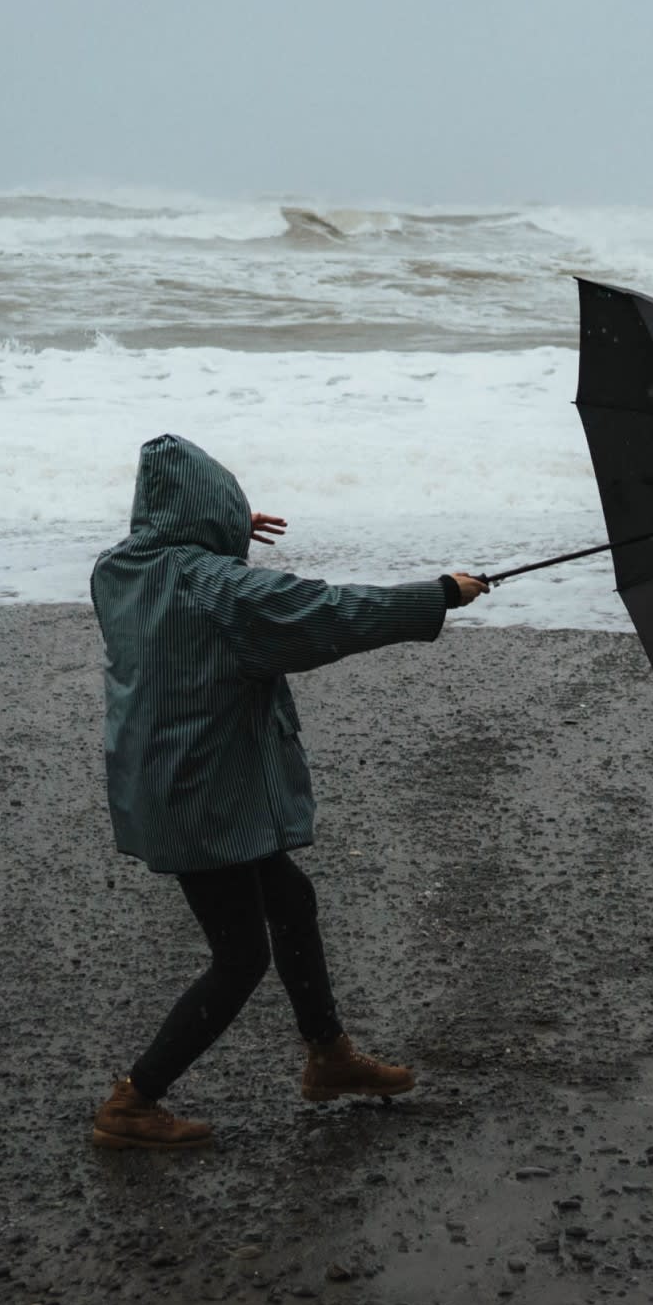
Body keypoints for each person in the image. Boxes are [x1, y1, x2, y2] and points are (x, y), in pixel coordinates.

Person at [87, 434, 490, 1150]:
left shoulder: (119, 571)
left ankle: (328, 1055)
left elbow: (180, 560)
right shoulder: (220, 589)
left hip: (167, 781)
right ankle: (134, 1099)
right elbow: (328, 612)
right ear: (208, 515)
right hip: (205, 797)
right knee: (240, 955)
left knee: (289, 897)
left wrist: (219, 530)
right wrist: (437, 596)